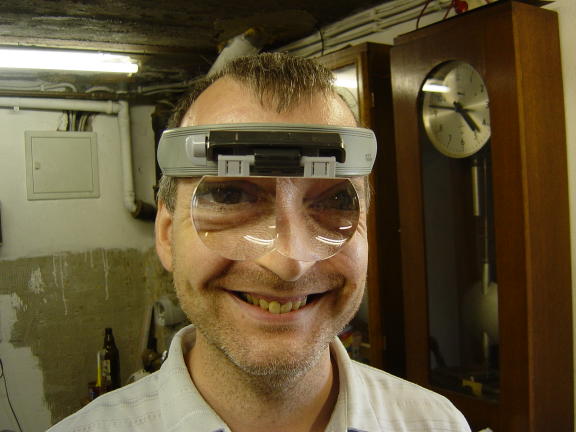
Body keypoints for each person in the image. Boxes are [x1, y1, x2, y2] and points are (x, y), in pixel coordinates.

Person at [49, 53, 470, 432]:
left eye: (336, 201)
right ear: (166, 234)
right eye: (230, 195)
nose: (290, 262)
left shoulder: (437, 425)